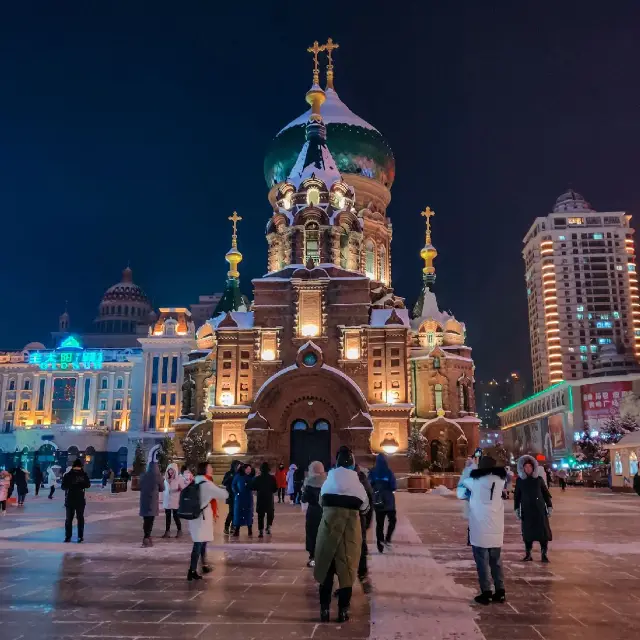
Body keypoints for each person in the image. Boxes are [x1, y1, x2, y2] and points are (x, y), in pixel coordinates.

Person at [314, 446, 369, 623]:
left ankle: (324, 610)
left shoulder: (328, 482)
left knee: (326, 573)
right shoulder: (357, 485)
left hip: (329, 531)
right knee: (347, 573)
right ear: (352, 463)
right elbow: (365, 507)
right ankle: (343, 612)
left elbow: (321, 502)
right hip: (349, 534)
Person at [457, 456, 507, 605]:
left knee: (482, 562)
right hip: (496, 528)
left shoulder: (475, 482)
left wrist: (468, 468)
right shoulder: (501, 481)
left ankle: (486, 593)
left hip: (480, 528)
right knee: (496, 561)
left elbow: (460, 492)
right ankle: (500, 591)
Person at [187, 461, 228, 581]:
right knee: (198, 544)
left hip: (194, 516)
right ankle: (192, 570)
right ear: (205, 469)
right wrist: (223, 488)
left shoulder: (195, 481)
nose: (212, 469)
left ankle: (199, 567)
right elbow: (223, 495)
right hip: (202, 518)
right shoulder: (207, 484)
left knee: (200, 542)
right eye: (210, 467)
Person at [514, 455, 553, 563]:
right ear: (522, 468)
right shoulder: (520, 481)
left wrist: (549, 506)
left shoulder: (539, 480)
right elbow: (517, 496)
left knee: (543, 534)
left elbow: (546, 494)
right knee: (527, 534)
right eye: (525, 467)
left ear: (533, 468)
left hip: (539, 510)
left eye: (529, 467)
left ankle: (544, 554)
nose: (528, 469)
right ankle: (528, 554)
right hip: (527, 511)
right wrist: (516, 509)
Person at [368, 453, 397, 553]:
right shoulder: (389, 472)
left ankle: (380, 544)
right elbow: (393, 486)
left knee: (379, 523)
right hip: (389, 501)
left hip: (377, 500)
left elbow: (369, 484)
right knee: (392, 520)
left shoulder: (373, 471)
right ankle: (387, 539)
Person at [301, 461, 326, 567]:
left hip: (312, 511)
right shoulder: (327, 481)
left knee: (312, 534)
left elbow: (304, 498)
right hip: (325, 511)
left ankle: (313, 558)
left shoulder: (309, 483)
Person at [61, 459, 91, 543]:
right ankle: (80, 536)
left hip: (70, 498)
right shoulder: (84, 475)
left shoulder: (68, 475)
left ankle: (68, 537)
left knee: (69, 519)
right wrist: (80, 485)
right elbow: (88, 485)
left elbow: (63, 487)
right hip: (80, 499)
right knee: (80, 518)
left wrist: (71, 485)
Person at [355, 464, 373, 591]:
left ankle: (360, 575)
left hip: (353, 520)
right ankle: (362, 574)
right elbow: (369, 503)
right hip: (359, 519)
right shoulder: (363, 480)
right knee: (360, 546)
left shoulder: (336, 480)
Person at [139, 459, 164, 547]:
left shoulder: (143, 475)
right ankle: (147, 537)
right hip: (152, 501)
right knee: (150, 520)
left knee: (146, 520)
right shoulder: (158, 476)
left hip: (144, 501)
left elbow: (139, 485)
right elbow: (162, 488)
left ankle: (146, 536)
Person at [252, 461, 277, 537]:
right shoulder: (272, 478)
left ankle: (261, 531)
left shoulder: (257, 478)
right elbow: (275, 489)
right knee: (270, 514)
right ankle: (268, 527)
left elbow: (254, 487)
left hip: (261, 498)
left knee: (260, 515)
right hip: (269, 498)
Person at [162, 463, 185, 538]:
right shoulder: (165, 479)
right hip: (167, 499)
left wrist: (178, 490)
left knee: (176, 516)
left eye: (172, 470)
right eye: (169, 470)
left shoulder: (179, 478)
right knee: (167, 516)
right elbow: (164, 488)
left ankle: (179, 530)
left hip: (175, 499)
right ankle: (167, 531)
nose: (170, 471)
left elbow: (183, 488)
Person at [232, 463, 255, 537]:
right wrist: (236, 493)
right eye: (248, 469)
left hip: (248, 497)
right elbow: (233, 485)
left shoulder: (251, 477)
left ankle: (250, 529)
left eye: (250, 469)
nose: (249, 470)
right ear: (244, 469)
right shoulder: (238, 476)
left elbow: (254, 485)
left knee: (248, 513)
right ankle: (237, 530)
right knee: (238, 513)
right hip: (240, 498)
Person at [222, 460, 240, 535]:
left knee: (236, 512)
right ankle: (226, 526)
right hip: (230, 495)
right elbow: (223, 483)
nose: (239, 467)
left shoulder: (239, 474)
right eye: (238, 465)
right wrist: (229, 478)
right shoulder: (228, 473)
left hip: (238, 495)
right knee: (232, 512)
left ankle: (233, 526)